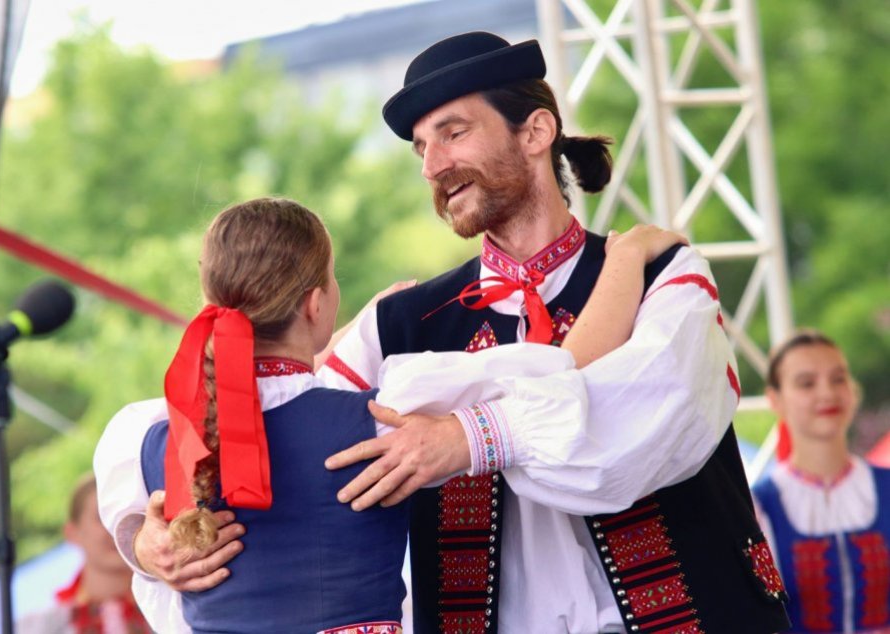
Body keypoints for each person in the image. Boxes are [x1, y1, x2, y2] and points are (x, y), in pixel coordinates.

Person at [103, 32, 790, 634]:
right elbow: (242, 411)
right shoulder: (401, 324)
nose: (432, 166)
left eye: (453, 132)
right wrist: (147, 537)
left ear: (535, 131)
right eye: (421, 148)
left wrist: (470, 438)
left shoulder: (665, 273)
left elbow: (643, 416)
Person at [95, 197, 686, 632]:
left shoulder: (158, 443)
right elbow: (568, 374)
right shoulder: (385, 419)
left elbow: (267, 398)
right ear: (315, 303)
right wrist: (626, 256)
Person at [753, 330, 890, 633]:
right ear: (775, 399)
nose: (827, 393)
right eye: (806, 383)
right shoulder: (759, 509)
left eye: (838, 379)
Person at [16, 474, 151, 634]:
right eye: (101, 517)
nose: (115, 528)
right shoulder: (39, 627)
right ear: (72, 533)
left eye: (124, 516)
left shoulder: (170, 602)